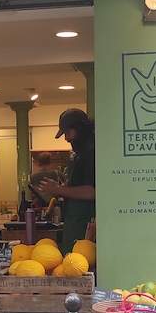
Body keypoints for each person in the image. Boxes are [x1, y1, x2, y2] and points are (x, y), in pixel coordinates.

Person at [35, 108, 95, 254]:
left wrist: (59, 190)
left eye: (68, 133)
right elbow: (80, 183)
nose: (66, 138)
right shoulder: (81, 151)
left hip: (84, 222)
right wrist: (63, 187)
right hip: (75, 219)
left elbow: (92, 191)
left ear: (79, 128)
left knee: (77, 264)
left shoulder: (91, 150)